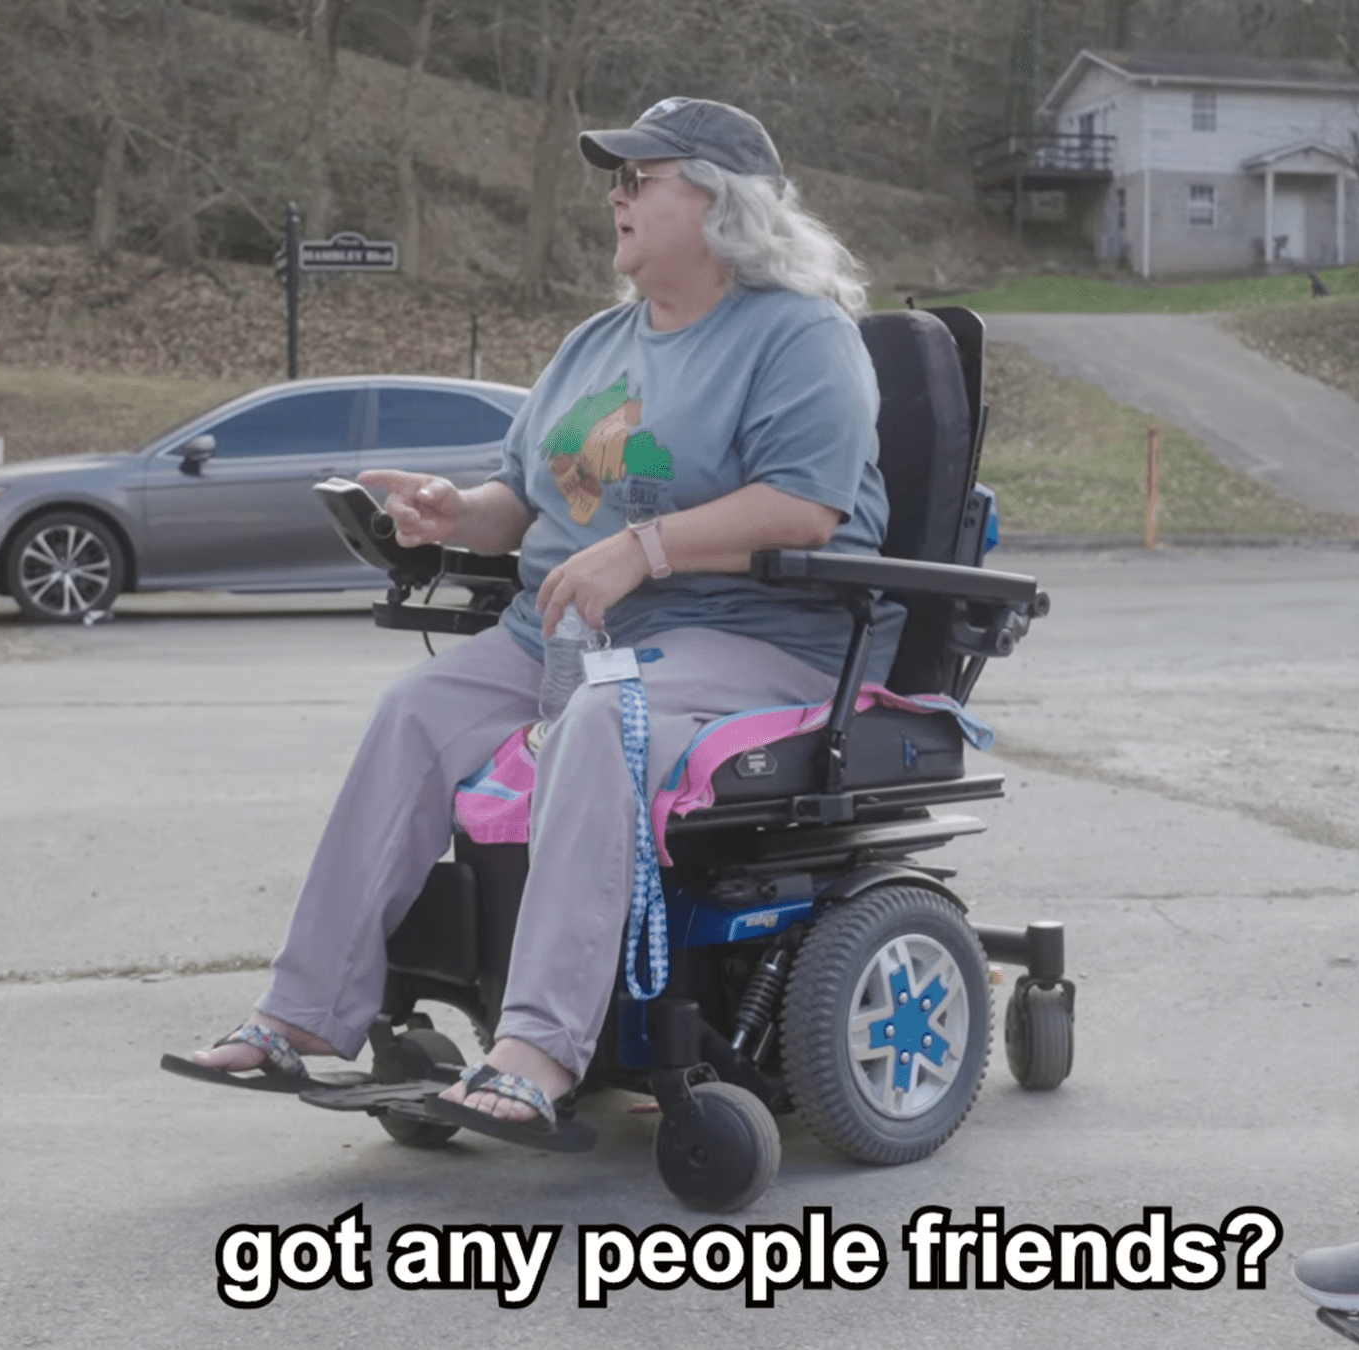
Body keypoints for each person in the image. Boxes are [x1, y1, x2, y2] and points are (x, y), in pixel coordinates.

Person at [166, 97, 902, 1138]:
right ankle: (305, 1015)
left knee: (606, 716)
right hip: (569, 629)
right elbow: (530, 501)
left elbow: (806, 507)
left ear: (717, 200)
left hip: (750, 637)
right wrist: (451, 515)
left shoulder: (799, 336)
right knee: (415, 709)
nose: (616, 193)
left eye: (639, 177)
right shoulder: (596, 344)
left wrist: (642, 550)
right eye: (618, 178)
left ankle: (539, 1052)